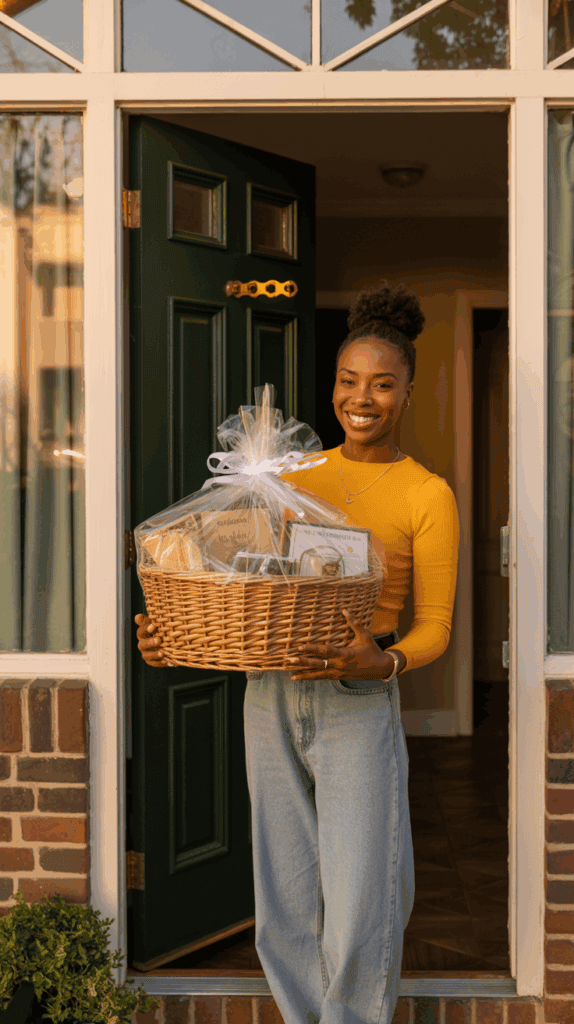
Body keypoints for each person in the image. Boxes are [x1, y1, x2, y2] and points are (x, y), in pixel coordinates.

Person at [135, 279, 460, 1024]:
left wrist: (387, 663)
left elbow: (435, 625)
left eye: (383, 384)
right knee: (283, 885)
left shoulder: (425, 494)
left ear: (408, 393)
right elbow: (240, 587)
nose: (362, 397)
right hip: (270, 689)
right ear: (334, 386)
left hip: (358, 695)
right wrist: (173, 637)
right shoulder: (289, 480)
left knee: (364, 890)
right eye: (349, 381)